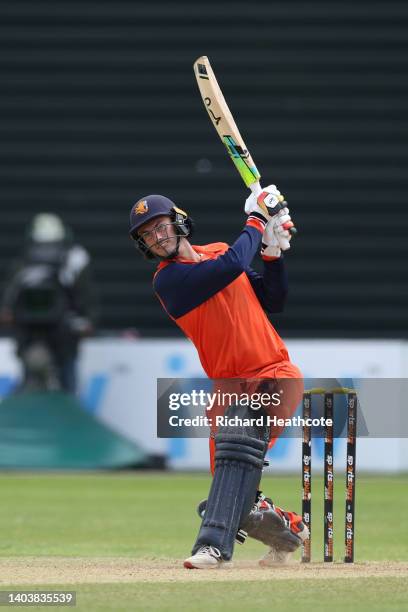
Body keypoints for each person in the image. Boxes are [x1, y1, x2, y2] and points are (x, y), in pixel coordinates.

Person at [129, 188, 308, 569]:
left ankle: (212, 548)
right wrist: (259, 220)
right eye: (148, 235)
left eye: (161, 227)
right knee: (232, 493)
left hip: (273, 372)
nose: (157, 239)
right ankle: (292, 532)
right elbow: (229, 266)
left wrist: (273, 253)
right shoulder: (169, 282)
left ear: (179, 222)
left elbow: (274, 299)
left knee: (235, 451)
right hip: (226, 388)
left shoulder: (220, 251)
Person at [1, 213, 95, 393]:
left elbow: (10, 298)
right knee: (58, 379)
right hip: (43, 333)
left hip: (54, 331)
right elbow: (86, 297)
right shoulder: (75, 258)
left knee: (61, 378)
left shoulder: (73, 259)